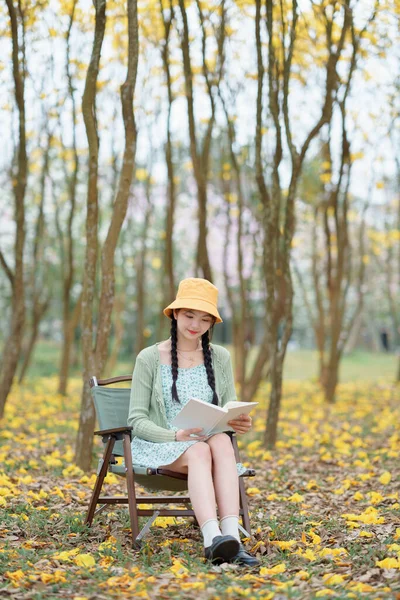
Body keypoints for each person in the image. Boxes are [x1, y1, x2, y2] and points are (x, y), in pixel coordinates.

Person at [127, 277, 260, 567]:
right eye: (189, 315)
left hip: (210, 444)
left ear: (212, 323)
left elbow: (230, 408)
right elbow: (136, 420)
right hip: (161, 445)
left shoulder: (220, 357)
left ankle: (230, 540)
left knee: (222, 440)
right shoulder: (149, 357)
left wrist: (238, 422)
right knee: (199, 449)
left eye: (204, 319)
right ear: (174, 313)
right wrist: (176, 436)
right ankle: (212, 538)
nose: (195, 325)